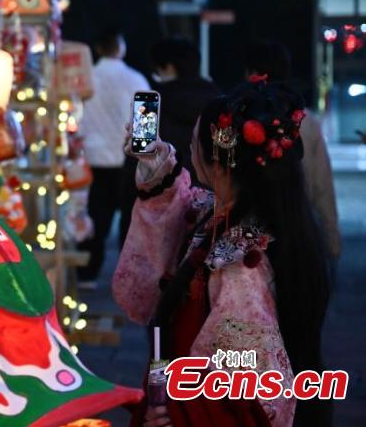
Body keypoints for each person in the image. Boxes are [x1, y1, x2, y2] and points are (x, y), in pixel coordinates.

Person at [113, 79, 331, 426]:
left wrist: (177, 414)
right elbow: (181, 204)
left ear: (219, 162)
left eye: (195, 141)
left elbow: (247, 391)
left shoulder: (240, 266)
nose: (188, 145)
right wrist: (155, 161)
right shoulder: (240, 218)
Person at [244, 40, 341, 262]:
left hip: (249, 236)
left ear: (252, 73)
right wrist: (331, 239)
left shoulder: (240, 118)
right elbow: (322, 186)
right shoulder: (306, 122)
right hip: (298, 231)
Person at [78, 30, 150, 287]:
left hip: (94, 157)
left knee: (96, 216)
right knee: (131, 222)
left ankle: (88, 272)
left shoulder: (86, 79)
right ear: (121, 48)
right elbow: (146, 126)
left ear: (98, 48)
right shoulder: (136, 79)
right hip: (128, 160)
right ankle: (129, 278)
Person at [148, 37, 221, 186]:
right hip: (208, 193)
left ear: (168, 67)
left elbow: (141, 158)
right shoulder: (217, 101)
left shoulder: (151, 103)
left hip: (163, 194)